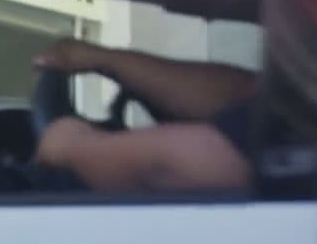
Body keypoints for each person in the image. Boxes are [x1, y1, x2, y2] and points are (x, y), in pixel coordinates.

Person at [32, 38, 259, 192]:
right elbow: (240, 95)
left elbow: (189, 162)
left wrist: (72, 148)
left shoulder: (276, 132)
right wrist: (106, 59)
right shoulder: (275, 103)